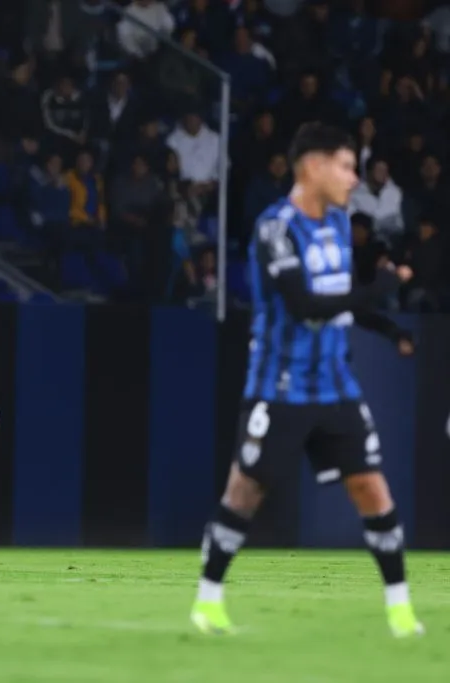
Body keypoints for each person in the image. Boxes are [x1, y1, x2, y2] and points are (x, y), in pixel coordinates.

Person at [191, 122, 423, 638]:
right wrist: (379, 288)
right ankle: (208, 601)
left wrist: (386, 328)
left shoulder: (339, 223)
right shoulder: (276, 228)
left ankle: (401, 610)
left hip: (336, 384)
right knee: (245, 493)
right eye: (345, 166)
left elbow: (340, 304)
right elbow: (304, 305)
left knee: (372, 488)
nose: (353, 178)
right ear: (312, 166)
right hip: (280, 386)